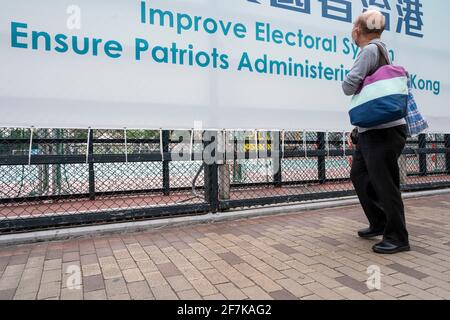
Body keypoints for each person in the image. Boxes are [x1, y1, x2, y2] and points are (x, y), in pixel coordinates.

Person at [342, 10, 410, 254]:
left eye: (353, 27)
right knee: (360, 175)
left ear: (358, 30)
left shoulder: (369, 50)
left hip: (382, 132)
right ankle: (380, 221)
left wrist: (352, 79)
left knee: (384, 182)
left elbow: (348, 85)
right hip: (372, 130)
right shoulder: (380, 50)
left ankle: (398, 236)